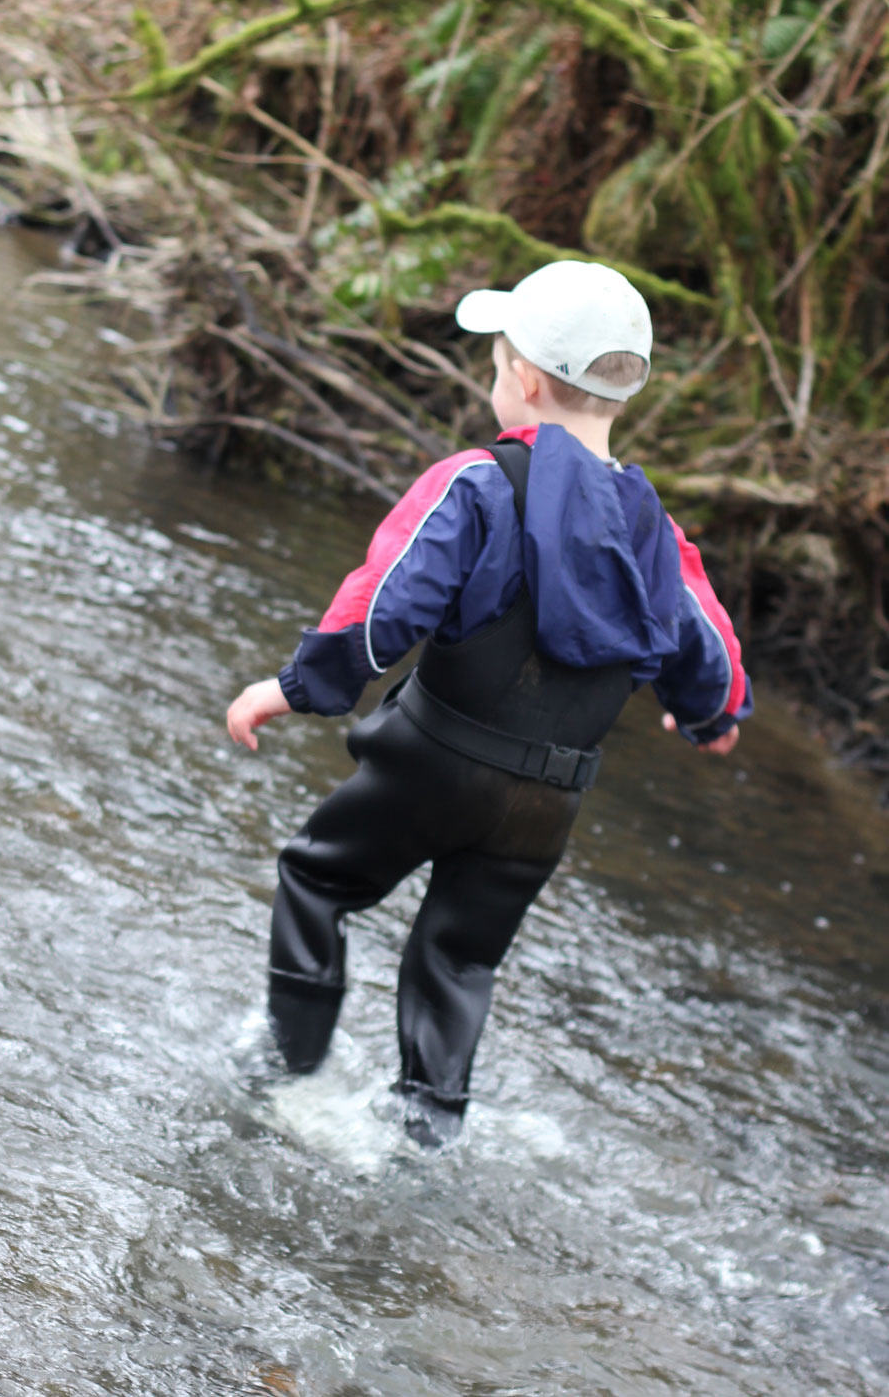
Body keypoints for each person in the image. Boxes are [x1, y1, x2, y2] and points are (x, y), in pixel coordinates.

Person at [226, 260, 753, 1146]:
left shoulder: (475, 483)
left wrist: (292, 688)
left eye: (496, 358)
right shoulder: (655, 533)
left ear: (526, 381)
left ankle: (285, 1076)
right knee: (459, 957)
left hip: (430, 763)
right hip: (547, 803)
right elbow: (711, 654)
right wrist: (709, 720)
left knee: (316, 880)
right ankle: (427, 1133)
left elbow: (383, 603)